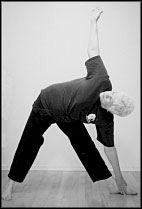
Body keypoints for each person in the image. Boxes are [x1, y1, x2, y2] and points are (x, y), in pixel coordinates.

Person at [2, 7, 137, 201]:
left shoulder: (105, 119)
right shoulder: (101, 79)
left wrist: (121, 177)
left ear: (111, 110)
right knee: (29, 142)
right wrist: (93, 22)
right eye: (111, 93)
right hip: (47, 104)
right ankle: (10, 184)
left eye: (110, 99)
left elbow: (110, 149)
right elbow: (93, 50)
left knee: (85, 144)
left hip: (69, 116)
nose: (108, 95)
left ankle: (115, 184)